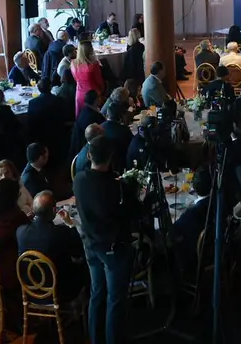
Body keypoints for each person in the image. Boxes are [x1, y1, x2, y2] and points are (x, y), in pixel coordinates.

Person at [75, 135, 137, 344]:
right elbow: (128, 214)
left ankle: (95, 338)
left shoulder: (79, 179)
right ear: (111, 157)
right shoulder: (114, 187)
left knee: (97, 294)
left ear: (90, 155)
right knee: (115, 300)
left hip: (91, 245)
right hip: (112, 248)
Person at [17, 191, 86, 303]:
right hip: (57, 292)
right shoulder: (60, 234)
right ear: (54, 211)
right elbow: (78, 252)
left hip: (29, 289)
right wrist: (69, 223)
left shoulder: (20, 232)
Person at [172, 167, 214, 272]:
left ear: (194, 187)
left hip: (194, 256)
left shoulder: (194, 213)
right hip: (217, 249)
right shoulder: (218, 201)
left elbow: (174, 229)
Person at [28, 76, 71, 163]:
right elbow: (64, 116)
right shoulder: (59, 100)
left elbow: (30, 122)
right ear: (50, 87)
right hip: (57, 132)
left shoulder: (32, 103)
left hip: (40, 134)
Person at [72, 40, 105, 117]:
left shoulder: (73, 63)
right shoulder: (93, 65)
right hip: (93, 95)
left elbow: (75, 79)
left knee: (81, 118)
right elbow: (99, 81)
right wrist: (102, 91)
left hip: (79, 93)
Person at [70, 90, 105, 160]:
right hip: (87, 150)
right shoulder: (92, 117)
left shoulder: (85, 110)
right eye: (99, 97)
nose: (101, 98)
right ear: (95, 100)